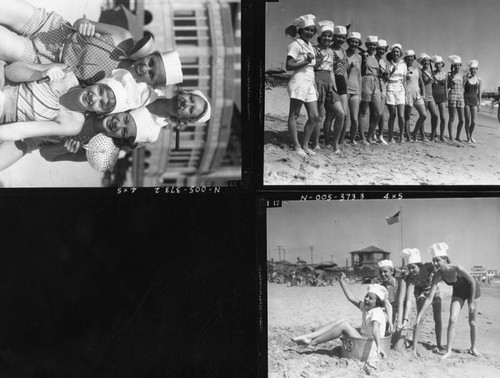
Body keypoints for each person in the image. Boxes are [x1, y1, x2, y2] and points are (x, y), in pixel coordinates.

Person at [0, 0, 183, 88]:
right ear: (151, 55)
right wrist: (85, 27)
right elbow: (81, 22)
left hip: (39, 59)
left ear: (151, 84)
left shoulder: (117, 89)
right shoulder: (124, 37)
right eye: (151, 63)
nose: (145, 68)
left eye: (151, 74)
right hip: (52, 28)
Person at [0, 66, 141, 141]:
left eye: (102, 104)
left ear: (101, 113)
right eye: (100, 90)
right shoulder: (67, 74)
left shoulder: (73, 124)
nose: (94, 98)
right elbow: (9, 71)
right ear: (97, 83)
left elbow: (21, 131)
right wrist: (40, 74)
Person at [0, 106, 161, 170]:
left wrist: (63, 148)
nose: (118, 125)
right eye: (125, 119)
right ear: (124, 111)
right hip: (25, 108)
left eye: (124, 132)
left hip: (29, 141)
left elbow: (45, 155)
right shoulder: (98, 101)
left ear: (121, 139)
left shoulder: (97, 150)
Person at [291, 273, 389, 360]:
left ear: (377, 303)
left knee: (344, 325)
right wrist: (341, 281)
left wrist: (379, 347)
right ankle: (308, 337)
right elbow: (351, 298)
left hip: (370, 344)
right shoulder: (366, 308)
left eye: (370, 298)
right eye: (366, 296)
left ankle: (312, 343)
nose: (367, 299)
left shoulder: (376, 312)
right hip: (364, 339)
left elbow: (375, 330)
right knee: (341, 321)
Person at [415, 243, 480, 360]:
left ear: (445, 259)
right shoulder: (438, 275)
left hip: (472, 291)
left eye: (437, 260)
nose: (435, 264)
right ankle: (449, 350)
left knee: (473, 322)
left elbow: (472, 282)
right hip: (458, 293)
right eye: (433, 261)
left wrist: (470, 302)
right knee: (452, 319)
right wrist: (419, 315)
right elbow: (429, 298)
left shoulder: (457, 268)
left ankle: (473, 348)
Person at [285, 14, 320, 157]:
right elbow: (288, 66)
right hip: (299, 80)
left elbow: (312, 68)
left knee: (315, 117)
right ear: (300, 31)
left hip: (310, 81)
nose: (310, 33)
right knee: (295, 114)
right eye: (307, 30)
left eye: (312, 30)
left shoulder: (311, 46)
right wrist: (305, 61)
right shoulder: (295, 45)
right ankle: (297, 146)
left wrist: (315, 87)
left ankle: (305, 145)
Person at [400, 248, 443, 355]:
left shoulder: (428, 267)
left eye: (413, 267)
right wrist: (405, 319)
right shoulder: (410, 277)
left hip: (433, 289)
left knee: (437, 317)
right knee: (420, 317)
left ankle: (439, 344)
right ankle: (414, 348)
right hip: (419, 292)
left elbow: (439, 273)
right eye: (409, 268)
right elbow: (409, 300)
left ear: (419, 265)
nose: (411, 270)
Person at [312, 20, 344, 152]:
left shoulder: (331, 51)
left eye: (330, 36)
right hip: (317, 80)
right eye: (325, 35)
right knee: (319, 116)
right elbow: (311, 69)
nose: (327, 38)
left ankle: (334, 143)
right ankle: (316, 143)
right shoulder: (314, 49)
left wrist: (333, 86)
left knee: (341, 114)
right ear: (320, 36)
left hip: (329, 83)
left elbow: (331, 70)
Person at [360, 36, 382, 144]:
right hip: (365, 80)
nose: (372, 47)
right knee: (363, 111)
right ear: (366, 45)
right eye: (370, 44)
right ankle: (362, 137)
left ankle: (370, 136)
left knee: (377, 113)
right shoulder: (363, 55)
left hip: (376, 82)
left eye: (374, 45)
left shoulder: (377, 58)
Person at [403, 50, 427, 142]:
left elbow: (421, 83)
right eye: (408, 57)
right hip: (408, 93)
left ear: (414, 58)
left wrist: (423, 94)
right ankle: (408, 137)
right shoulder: (404, 68)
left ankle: (414, 132)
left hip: (417, 94)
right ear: (405, 59)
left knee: (424, 115)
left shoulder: (417, 69)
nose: (410, 58)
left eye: (412, 57)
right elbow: (403, 82)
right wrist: (404, 94)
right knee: (407, 117)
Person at [331, 25, 349, 145]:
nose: (341, 40)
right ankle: (328, 139)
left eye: (343, 38)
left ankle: (339, 140)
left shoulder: (343, 51)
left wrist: (346, 86)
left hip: (342, 80)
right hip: (333, 80)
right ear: (334, 37)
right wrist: (334, 87)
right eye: (338, 37)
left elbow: (345, 71)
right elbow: (330, 69)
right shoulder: (330, 49)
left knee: (345, 114)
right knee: (330, 115)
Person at [385, 44, 407, 143]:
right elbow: (386, 78)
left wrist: (405, 94)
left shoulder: (403, 65)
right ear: (392, 53)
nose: (396, 53)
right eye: (394, 51)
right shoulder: (388, 64)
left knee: (401, 116)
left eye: (397, 52)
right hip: (390, 87)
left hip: (400, 89)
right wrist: (392, 71)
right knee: (392, 114)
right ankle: (390, 136)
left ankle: (401, 135)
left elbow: (404, 81)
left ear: (400, 53)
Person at [345, 32, 362, 145]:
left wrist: (360, 92)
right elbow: (340, 72)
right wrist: (348, 67)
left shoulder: (359, 57)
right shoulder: (343, 54)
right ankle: (341, 139)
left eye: (356, 42)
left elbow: (359, 75)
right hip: (344, 88)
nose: (354, 44)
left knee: (354, 118)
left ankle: (352, 139)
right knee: (344, 117)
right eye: (352, 41)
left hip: (355, 89)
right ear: (348, 42)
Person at [418, 53, 439, 141]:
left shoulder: (431, 72)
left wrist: (435, 82)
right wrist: (427, 82)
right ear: (422, 62)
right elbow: (420, 84)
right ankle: (422, 135)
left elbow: (433, 85)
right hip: (424, 96)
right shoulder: (420, 71)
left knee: (435, 116)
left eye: (428, 61)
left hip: (431, 97)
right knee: (423, 116)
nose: (426, 62)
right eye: (425, 61)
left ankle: (433, 134)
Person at [447, 55, 466, 142]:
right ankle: (451, 137)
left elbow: (463, 86)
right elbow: (447, 87)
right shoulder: (450, 74)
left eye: (458, 65)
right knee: (452, 117)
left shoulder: (462, 75)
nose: (457, 66)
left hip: (460, 97)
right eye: (455, 65)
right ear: (453, 66)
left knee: (462, 119)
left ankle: (457, 136)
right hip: (452, 96)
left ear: (460, 65)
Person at [464, 60, 481, 143]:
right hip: (466, 100)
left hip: (474, 101)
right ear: (470, 70)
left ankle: (471, 135)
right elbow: (461, 88)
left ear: (477, 70)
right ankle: (468, 137)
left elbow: (479, 94)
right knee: (467, 120)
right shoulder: (466, 79)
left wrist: (479, 104)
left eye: (475, 69)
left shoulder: (479, 80)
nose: (473, 70)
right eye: (472, 69)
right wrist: (465, 78)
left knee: (474, 121)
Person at [375, 39, 389, 144]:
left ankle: (380, 135)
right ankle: (373, 134)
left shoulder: (384, 62)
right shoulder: (372, 59)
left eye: (383, 49)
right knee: (375, 112)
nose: (381, 51)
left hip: (383, 87)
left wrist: (386, 75)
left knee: (381, 113)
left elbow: (387, 78)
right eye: (379, 49)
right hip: (374, 86)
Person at [431, 55, 448, 141]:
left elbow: (445, 87)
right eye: (437, 64)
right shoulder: (432, 74)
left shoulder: (445, 74)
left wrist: (446, 99)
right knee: (435, 117)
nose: (438, 65)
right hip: (433, 97)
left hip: (442, 98)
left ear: (442, 64)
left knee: (443, 118)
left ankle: (441, 135)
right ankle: (434, 135)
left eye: (440, 63)